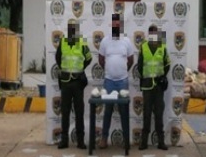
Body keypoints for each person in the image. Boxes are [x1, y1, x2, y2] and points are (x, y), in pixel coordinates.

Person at [98, 13, 134, 149]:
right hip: (109, 81)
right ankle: (104, 139)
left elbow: (131, 60)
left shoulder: (127, 41)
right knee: (107, 111)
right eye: (114, 24)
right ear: (111, 25)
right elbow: (101, 59)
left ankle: (126, 140)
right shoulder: (105, 41)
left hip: (122, 81)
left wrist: (122, 70)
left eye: (118, 24)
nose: (116, 26)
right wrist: (109, 70)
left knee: (124, 111)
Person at [55, 19, 92, 149]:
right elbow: (58, 58)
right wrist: (65, 70)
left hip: (77, 82)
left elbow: (89, 58)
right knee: (65, 112)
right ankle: (64, 140)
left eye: (74, 27)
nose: (72, 29)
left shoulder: (82, 42)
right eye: (70, 27)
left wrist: (80, 68)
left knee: (79, 112)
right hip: (65, 81)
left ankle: (80, 140)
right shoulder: (63, 42)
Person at [137, 25, 171, 150]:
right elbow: (139, 66)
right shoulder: (143, 47)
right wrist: (145, 77)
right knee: (146, 114)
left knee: (158, 114)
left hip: (158, 87)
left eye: (155, 33)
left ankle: (161, 142)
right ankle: (144, 142)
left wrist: (162, 77)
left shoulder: (162, 47)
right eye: (151, 33)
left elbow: (167, 64)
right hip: (147, 86)